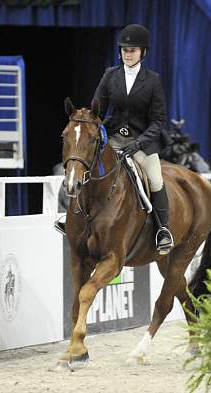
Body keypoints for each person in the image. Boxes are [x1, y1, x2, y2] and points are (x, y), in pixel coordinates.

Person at [56, 24, 173, 253]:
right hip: (114, 136)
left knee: (155, 179)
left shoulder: (152, 80)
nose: (128, 54)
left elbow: (159, 120)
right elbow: (97, 111)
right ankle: (68, 218)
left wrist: (139, 144)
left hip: (142, 141)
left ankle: (162, 230)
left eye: (133, 50)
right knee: (81, 165)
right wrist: (91, 126)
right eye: (125, 50)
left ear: (143, 53)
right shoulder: (110, 75)